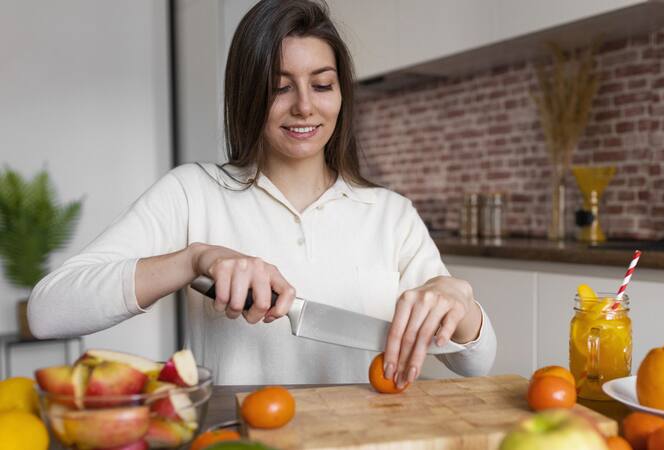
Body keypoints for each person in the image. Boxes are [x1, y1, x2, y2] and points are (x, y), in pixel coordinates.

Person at [28, 0, 496, 385]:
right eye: (279, 87)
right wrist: (194, 259)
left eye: (322, 84)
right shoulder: (193, 194)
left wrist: (459, 301)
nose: (305, 106)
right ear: (249, 95)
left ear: (341, 94)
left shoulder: (390, 214)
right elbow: (47, 312)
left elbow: (475, 361)